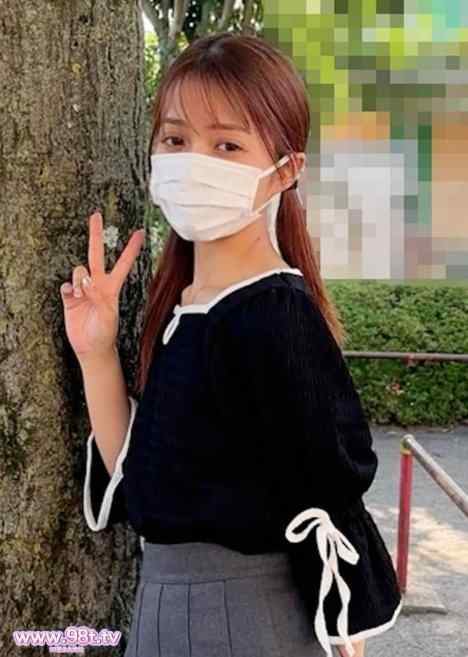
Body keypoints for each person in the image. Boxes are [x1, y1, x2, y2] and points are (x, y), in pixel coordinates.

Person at [61, 32, 403, 657]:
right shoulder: (187, 307)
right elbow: (141, 476)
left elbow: (327, 490)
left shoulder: (274, 313)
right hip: (165, 608)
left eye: (226, 145)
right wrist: (96, 352)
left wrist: (349, 642)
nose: (195, 161)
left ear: (285, 171)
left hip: (243, 619)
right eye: (175, 140)